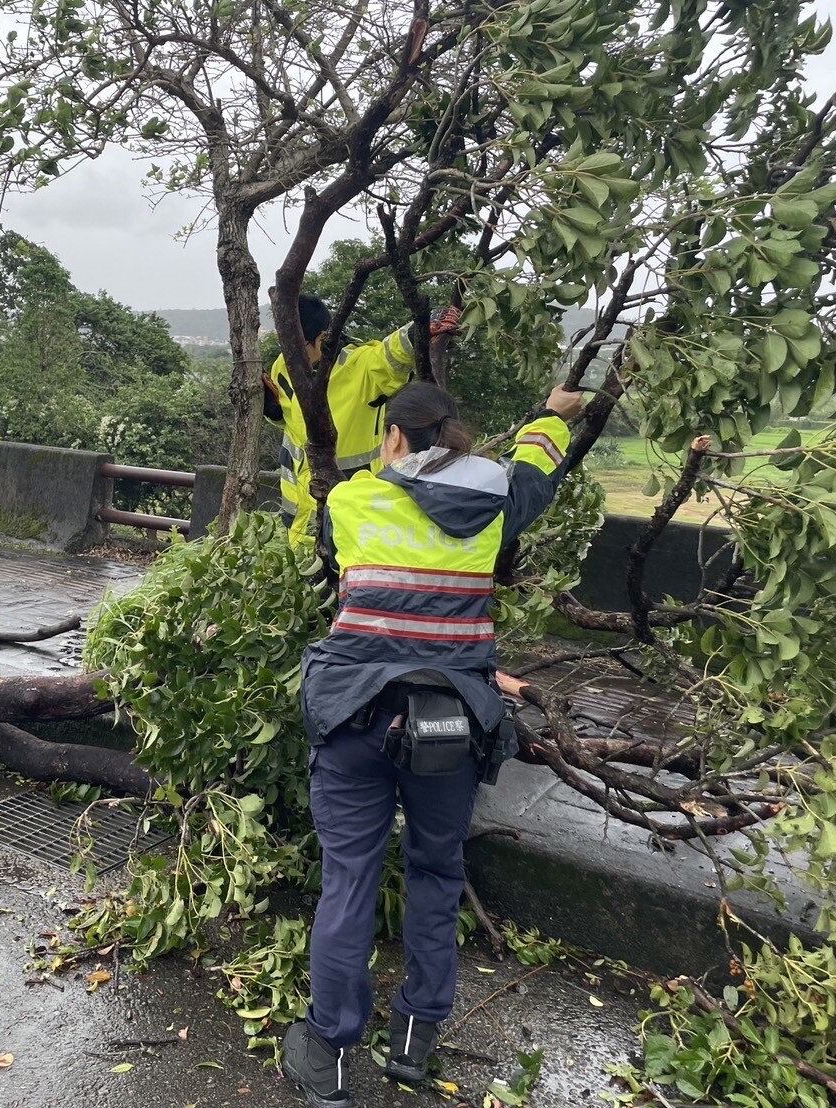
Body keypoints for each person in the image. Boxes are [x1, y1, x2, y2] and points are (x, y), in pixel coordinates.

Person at [280, 381, 585, 1107]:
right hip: (449, 724)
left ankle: (329, 1042)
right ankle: (414, 1040)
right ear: (454, 436)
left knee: (349, 876)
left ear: (393, 438)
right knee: (435, 871)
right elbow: (537, 469)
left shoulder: (350, 502)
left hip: (357, 715)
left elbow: (331, 557)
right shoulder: (497, 505)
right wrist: (554, 414)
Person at [263, 294, 460, 547]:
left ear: (322, 339)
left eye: (297, 344)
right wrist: (273, 411)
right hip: (299, 521)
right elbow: (292, 423)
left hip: (351, 518)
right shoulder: (284, 364)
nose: (288, 352)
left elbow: (391, 355)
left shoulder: (359, 366)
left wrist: (420, 327)